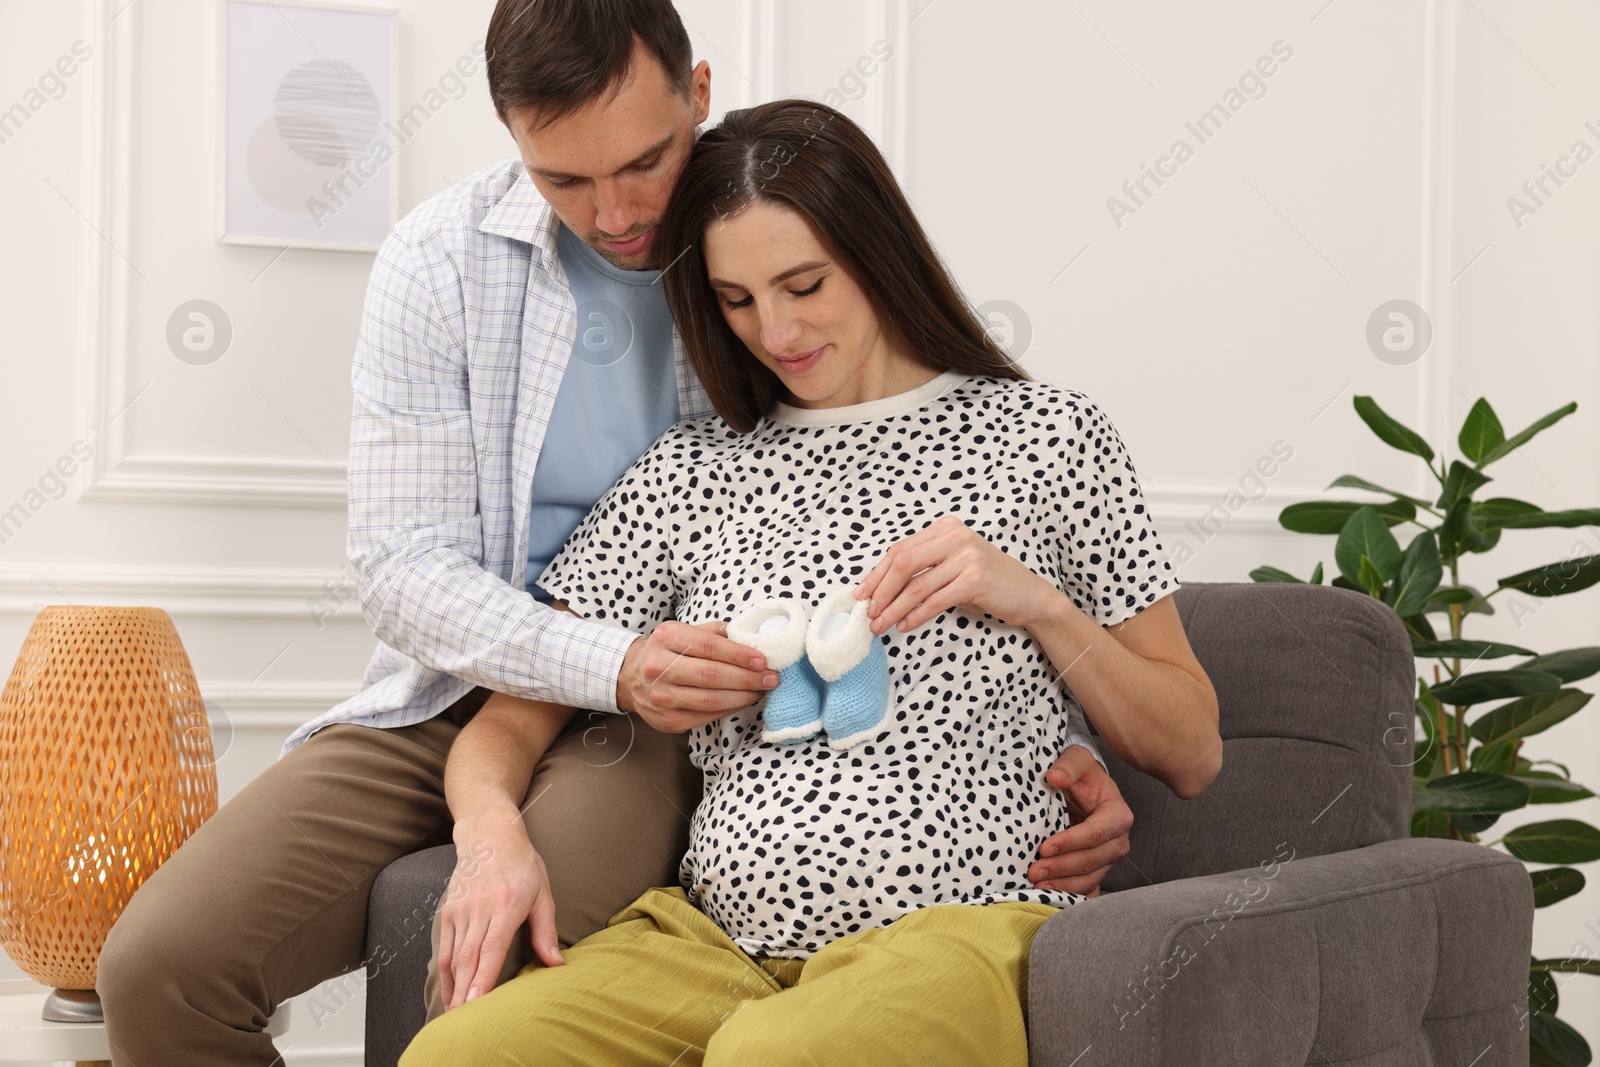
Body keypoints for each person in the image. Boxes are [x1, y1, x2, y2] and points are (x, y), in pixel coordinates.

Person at [94, 2, 1137, 1063]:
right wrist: (594, 680)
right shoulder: (438, 262)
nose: (618, 211)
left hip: (658, 714)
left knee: (509, 965)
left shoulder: (760, 260)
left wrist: (1056, 741)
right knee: (155, 971)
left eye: (643, 161)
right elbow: (401, 570)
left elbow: (929, 535)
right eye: (564, 178)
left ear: (697, 93)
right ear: (511, 138)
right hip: (461, 687)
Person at [400, 98, 1221, 1067]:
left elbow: (1190, 746)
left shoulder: (1050, 436)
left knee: (772, 1055)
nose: (775, 329)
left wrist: (1031, 598)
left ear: (877, 252)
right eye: (737, 299)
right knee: (461, 1055)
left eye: (803, 283)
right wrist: (492, 829)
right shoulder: (687, 470)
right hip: (714, 941)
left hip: (957, 930)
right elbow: (504, 721)